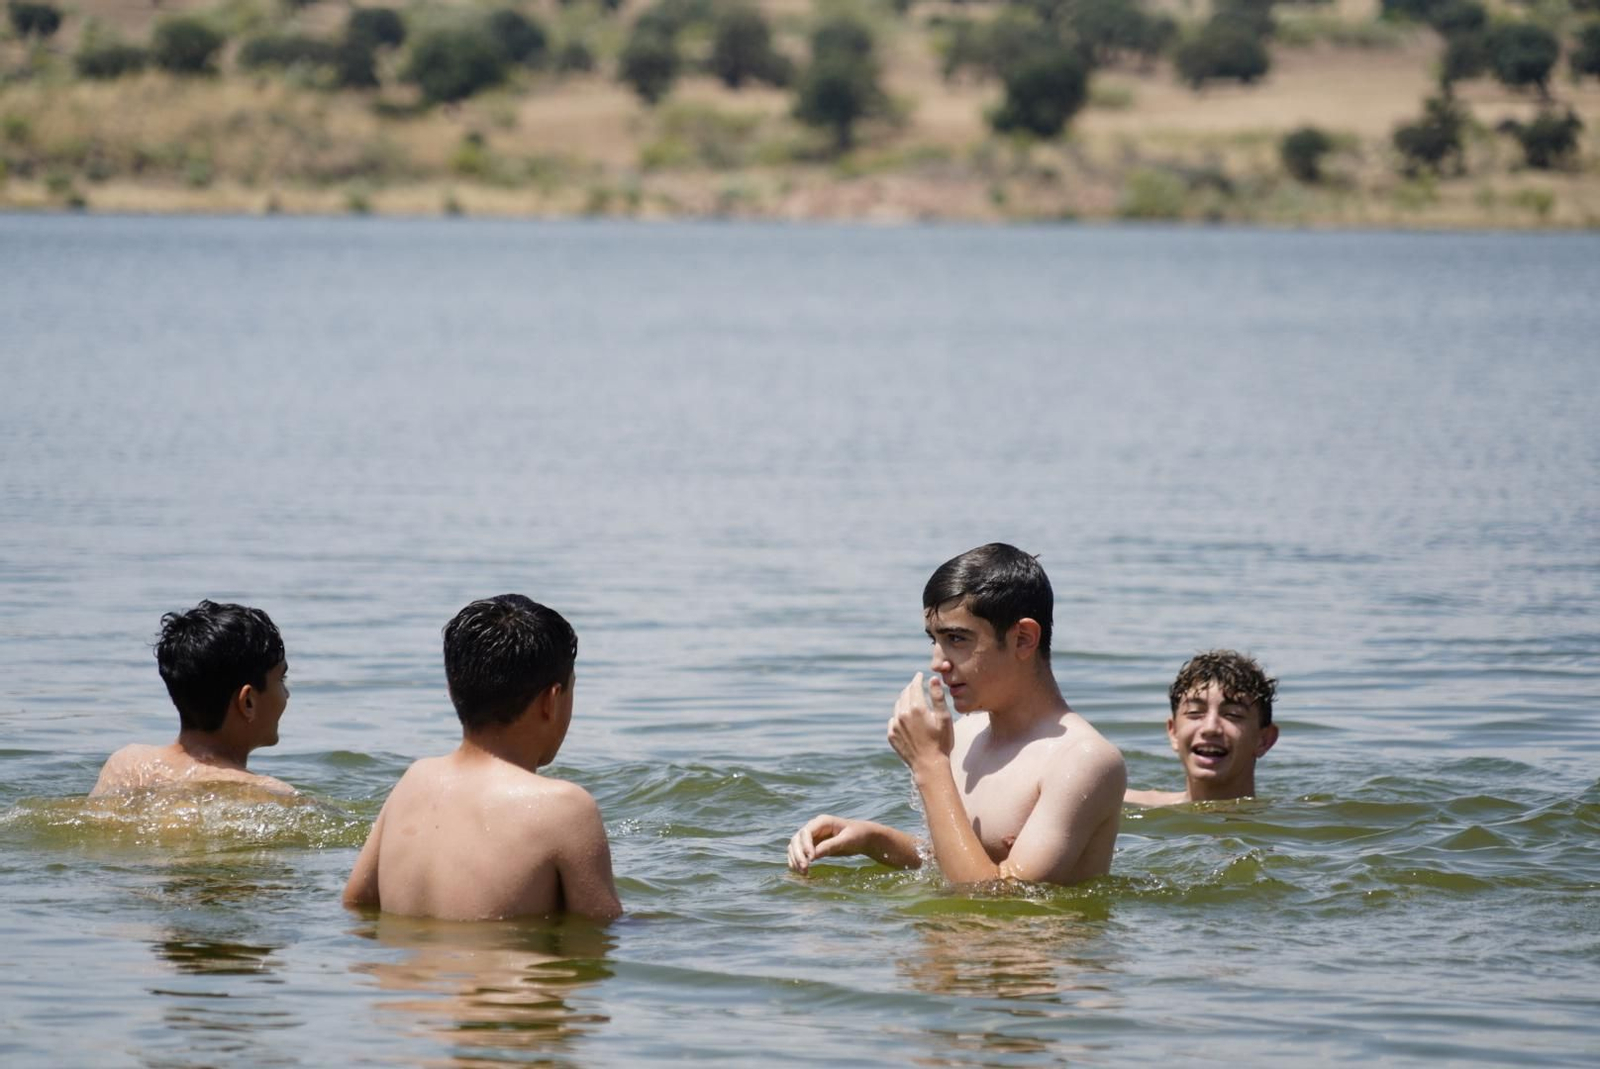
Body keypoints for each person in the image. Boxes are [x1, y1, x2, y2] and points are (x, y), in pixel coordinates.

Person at [787, 544, 1126, 887]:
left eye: (956, 638)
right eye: (933, 640)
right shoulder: (964, 735)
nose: (938, 661)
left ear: (1023, 639)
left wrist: (930, 766)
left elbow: (996, 898)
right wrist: (873, 840)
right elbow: (953, 862)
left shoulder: (1083, 761)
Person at [343, 594, 621, 923]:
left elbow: (357, 901)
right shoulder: (565, 808)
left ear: (451, 690)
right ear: (551, 699)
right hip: (499, 974)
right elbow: (600, 933)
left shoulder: (415, 780)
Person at [91, 600, 295, 797]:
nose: (286, 694)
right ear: (247, 702)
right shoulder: (269, 793)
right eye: (281, 679)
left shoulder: (126, 764)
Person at [1124, 650, 1279, 806]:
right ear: (1173, 732)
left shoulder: (1291, 820)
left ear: (1264, 740)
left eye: (1232, 715)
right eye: (1194, 712)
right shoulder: (1121, 803)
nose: (1210, 728)